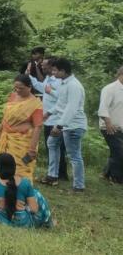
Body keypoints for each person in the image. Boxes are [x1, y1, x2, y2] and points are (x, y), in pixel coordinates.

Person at [0, 153, 53, 228]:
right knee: (36, 194)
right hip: (23, 223)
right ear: (14, 166)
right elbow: (34, 209)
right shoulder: (25, 183)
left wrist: (5, 204)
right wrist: (21, 206)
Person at [45, 58, 87, 192]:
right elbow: (61, 104)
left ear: (63, 71)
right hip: (63, 122)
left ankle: (78, 186)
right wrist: (49, 113)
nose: (53, 73)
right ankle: (52, 176)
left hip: (74, 125)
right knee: (51, 143)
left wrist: (60, 126)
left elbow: (71, 108)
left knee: (74, 155)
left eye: (55, 70)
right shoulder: (64, 83)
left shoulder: (74, 85)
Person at [0, 75, 43, 181]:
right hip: (5, 139)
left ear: (29, 87)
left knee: (19, 171)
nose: (18, 90)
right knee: (1, 166)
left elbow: (38, 127)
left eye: (21, 88)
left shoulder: (35, 104)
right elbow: (6, 116)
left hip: (21, 142)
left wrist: (32, 150)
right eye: (16, 87)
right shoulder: (13, 96)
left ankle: (20, 194)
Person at [32, 57, 68, 183]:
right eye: (41, 65)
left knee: (56, 147)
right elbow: (41, 88)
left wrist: (50, 91)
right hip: (48, 118)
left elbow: (62, 97)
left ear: (51, 66)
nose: (42, 67)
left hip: (55, 119)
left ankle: (59, 174)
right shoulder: (47, 78)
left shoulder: (58, 81)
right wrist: (28, 77)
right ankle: (54, 173)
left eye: (44, 65)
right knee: (51, 147)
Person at [98, 66, 123, 183]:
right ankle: (116, 177)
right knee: (119, 152)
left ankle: (106, 173)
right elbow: (103, 108)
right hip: (109, 126)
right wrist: (108, 123)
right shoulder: (110, 89)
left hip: (121, 126)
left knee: (116, 151)